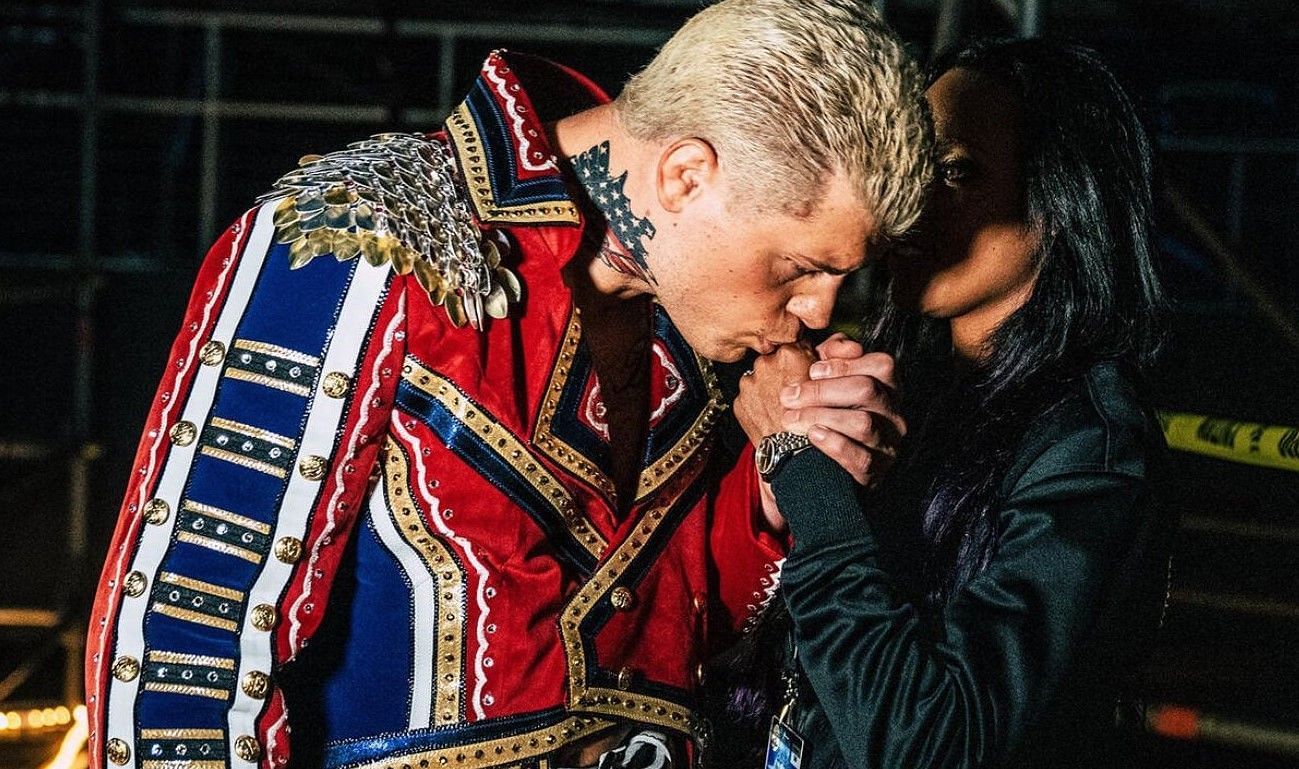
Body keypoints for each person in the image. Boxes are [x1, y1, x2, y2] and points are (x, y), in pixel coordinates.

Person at [83, 2, 932, 769]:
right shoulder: (369, 231)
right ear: (685, 175)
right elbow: (183, 643)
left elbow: (659, 641)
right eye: (800, 266)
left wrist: (777, 497)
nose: (817, 310)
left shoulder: (697, 321)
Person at [730, 37, 1170, 768]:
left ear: (1060, 200)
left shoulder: (1090, 446)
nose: (910, 202)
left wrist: (798, 463)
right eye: (908, 169)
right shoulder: (911, 384)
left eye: (955, 173)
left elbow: (929, 741)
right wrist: (779, 492)